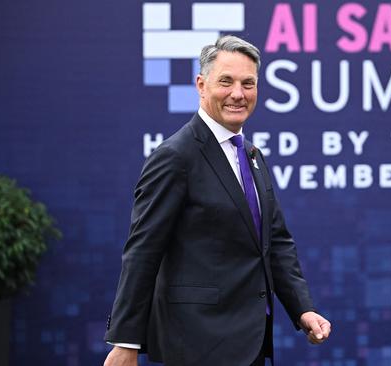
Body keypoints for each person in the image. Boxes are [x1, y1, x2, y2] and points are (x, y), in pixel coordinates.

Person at [103, 35, 331, 366]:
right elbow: (143, 250)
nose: (238, 94)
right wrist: (126, 341)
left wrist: (303, 310)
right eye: (226, 81)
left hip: (250, 343)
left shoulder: (252, 154)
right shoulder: (175, 156)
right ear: (201, 84)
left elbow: (275, 242)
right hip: (197, 344)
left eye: (248, 83)